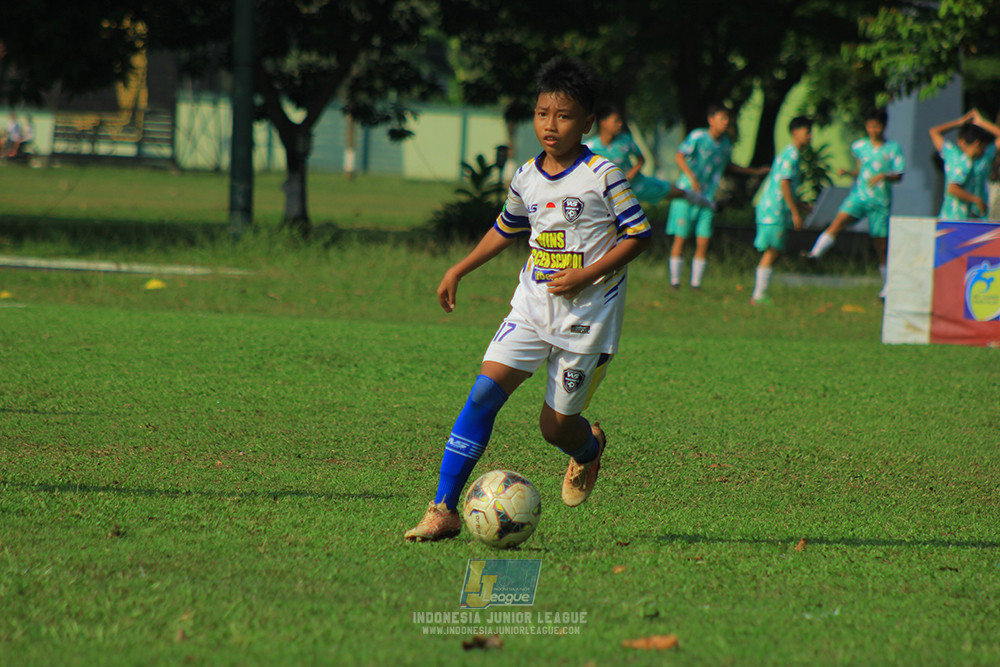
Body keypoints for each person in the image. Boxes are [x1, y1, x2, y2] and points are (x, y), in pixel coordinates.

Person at [405, 57, 651, 542]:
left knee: (556, 428)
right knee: (482, 395)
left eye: (563, 115)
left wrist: (585, 274)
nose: (550, 125)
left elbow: (639, 235)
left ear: (586, 121)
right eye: (542, 114)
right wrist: (460, 268)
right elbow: (507, 227)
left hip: (589, 316)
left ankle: (587, 451)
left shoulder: (604, 174)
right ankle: (443, 509)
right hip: (532, 305)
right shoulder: (526, 176)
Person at [805, 108, 905, 298]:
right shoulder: (860, 146)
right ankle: (815, 254)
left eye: (876, 126)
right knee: (839, 220)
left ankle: (887, 288)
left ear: (883, 127)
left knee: (880, 245)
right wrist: (849, 173)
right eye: (870, 126)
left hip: (880, 201)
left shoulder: (893, 148)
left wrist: (884, 176)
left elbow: (899, 175)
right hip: (860, 196)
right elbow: (861, 170)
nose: (873, 130)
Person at [667, 104, 769, 289]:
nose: (726, 123)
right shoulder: (698, 137)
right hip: (687, 194)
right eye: (722, 119)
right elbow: (680, 157)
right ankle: (675, 281)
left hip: (708, 198)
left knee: (703, 239)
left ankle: (696, 283)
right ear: (711, 120)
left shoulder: (725, 144)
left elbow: (728, 165)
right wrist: (692, 178)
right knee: (681, 237)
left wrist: (753, 171)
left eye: (727, 119)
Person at [585, 105, 712, 208]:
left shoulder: (626, 140)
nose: (619, 124)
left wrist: (631, 174)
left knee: (670, 190)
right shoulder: (590, 147)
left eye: (620, 121)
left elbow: (641, 159)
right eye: (615, 121)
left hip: (635, 185)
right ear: (603, 123)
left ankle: (699, 199)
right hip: (609, 194)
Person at [750, 116, 813, 306]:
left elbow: (787, 186)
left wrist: (801, 205)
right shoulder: (791, 154)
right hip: (773, 209)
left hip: (774, 208)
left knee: (774, 250)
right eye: (807, 132)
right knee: (773, 250)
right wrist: (795, 212)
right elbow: (784, 183)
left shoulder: (792, 154)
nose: (810, 136)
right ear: (795, 133)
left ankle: (760, 294)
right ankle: (758, 295)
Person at [930, 109, 1000, 220]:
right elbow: (953, 188)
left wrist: (981, 122)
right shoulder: (956, 157)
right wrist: (959, 122)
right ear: (978, 144)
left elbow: (934, 132)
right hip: (954, 219)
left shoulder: (983, 157)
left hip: (976, 217)